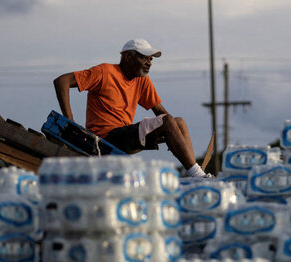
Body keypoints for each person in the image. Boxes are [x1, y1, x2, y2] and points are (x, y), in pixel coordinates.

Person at [53, 38, 209, 177]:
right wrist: (69, 120)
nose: (149, 63)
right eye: (144, 58)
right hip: (106, 137)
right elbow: (62, 81)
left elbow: (161, 112)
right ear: (127, 57)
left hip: (126, 136)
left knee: (179, 122)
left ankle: (195, 173)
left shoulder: (142, 81)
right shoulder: (105, 72)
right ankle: (196, 174)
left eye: (150, 59)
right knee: (168, 121)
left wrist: (173, 134)